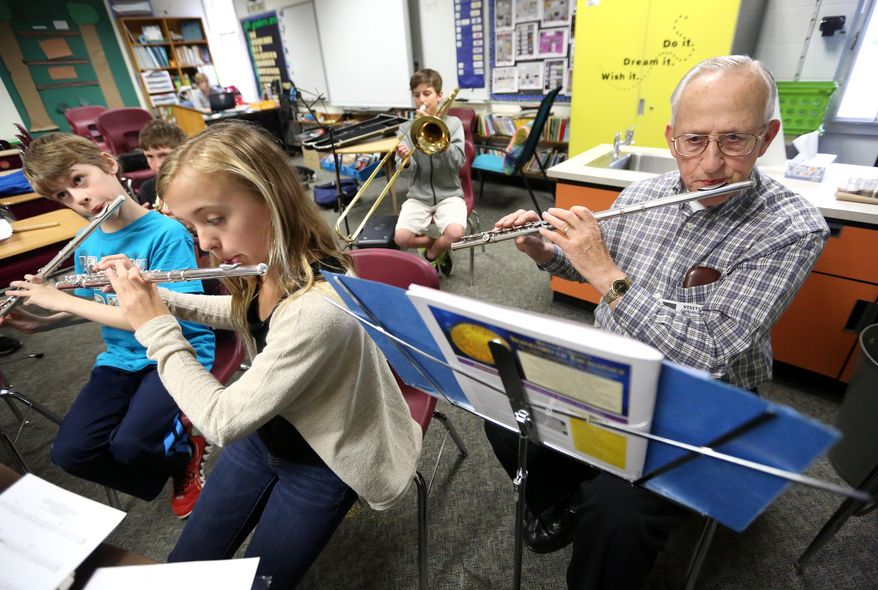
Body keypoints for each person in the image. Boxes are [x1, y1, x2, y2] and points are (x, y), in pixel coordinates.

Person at [484, 56, 830, 589]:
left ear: (768, 138)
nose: (711, 164)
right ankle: (563, 500)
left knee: (618, 514)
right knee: (503, 410)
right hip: (609, 370)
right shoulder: (645, 194)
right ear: (672, 137)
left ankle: (599, 502)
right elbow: (590, 272)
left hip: (699, 400)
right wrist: (544, 254)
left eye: (734, 139)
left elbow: (712, 350)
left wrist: (603, 269)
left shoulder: (792, 227)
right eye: (694, 141)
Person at [94, 120, 422, 588]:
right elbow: (244, 313)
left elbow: (221, 421)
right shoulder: (268, 263)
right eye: (193, 226)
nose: (204, 243)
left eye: (215, 219)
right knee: (185, 566)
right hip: (267, 435)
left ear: (272, 197)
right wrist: (158, 297)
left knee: (259, 585)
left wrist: (156, 326)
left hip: (323, 456)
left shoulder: (318, 304)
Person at [3, 133, 216, 519]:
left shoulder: (166, 234)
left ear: (108, 163)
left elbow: (158, 318)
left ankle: (183, 450)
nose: (78, 199)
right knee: (71, 453)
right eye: (62, 196)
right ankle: (171, 463)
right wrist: (42, 323)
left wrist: (58, 297)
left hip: (174, 350)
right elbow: (92, 305)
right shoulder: (88, 244)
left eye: (78, 180)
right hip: (121, 357)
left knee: (131, 444)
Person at [394, 68, 467, 277]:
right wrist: (406, 160)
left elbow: (459, 162)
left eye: (426, 93)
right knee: (401, 238)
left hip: (450, 193)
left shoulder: (452, 124)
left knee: (455, 233)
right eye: (416, 95)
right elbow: (406, 174)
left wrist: (442, 143)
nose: (421, 100)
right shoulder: (406, 129)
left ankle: (432, 254)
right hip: (418, 194)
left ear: (439, 95)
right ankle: (434, 244)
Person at [136, 118, 186, 210]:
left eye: (164, 155)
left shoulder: (197, 182)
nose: (158, 165)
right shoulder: (147, 189)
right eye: (150, 156)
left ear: (181, 151)